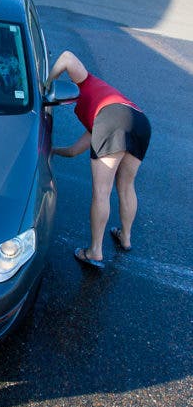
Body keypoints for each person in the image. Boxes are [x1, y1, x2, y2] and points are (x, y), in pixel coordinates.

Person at [46, 50, 151, 269]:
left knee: (102, 192)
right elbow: (75, 150)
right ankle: (126, 237)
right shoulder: (95, 118)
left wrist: (47, 84)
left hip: (111, 119)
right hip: (139, 121)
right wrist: (53, 150)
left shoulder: (85, 81)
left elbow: (66, 57)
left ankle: (94, 251)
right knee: (126, 185)